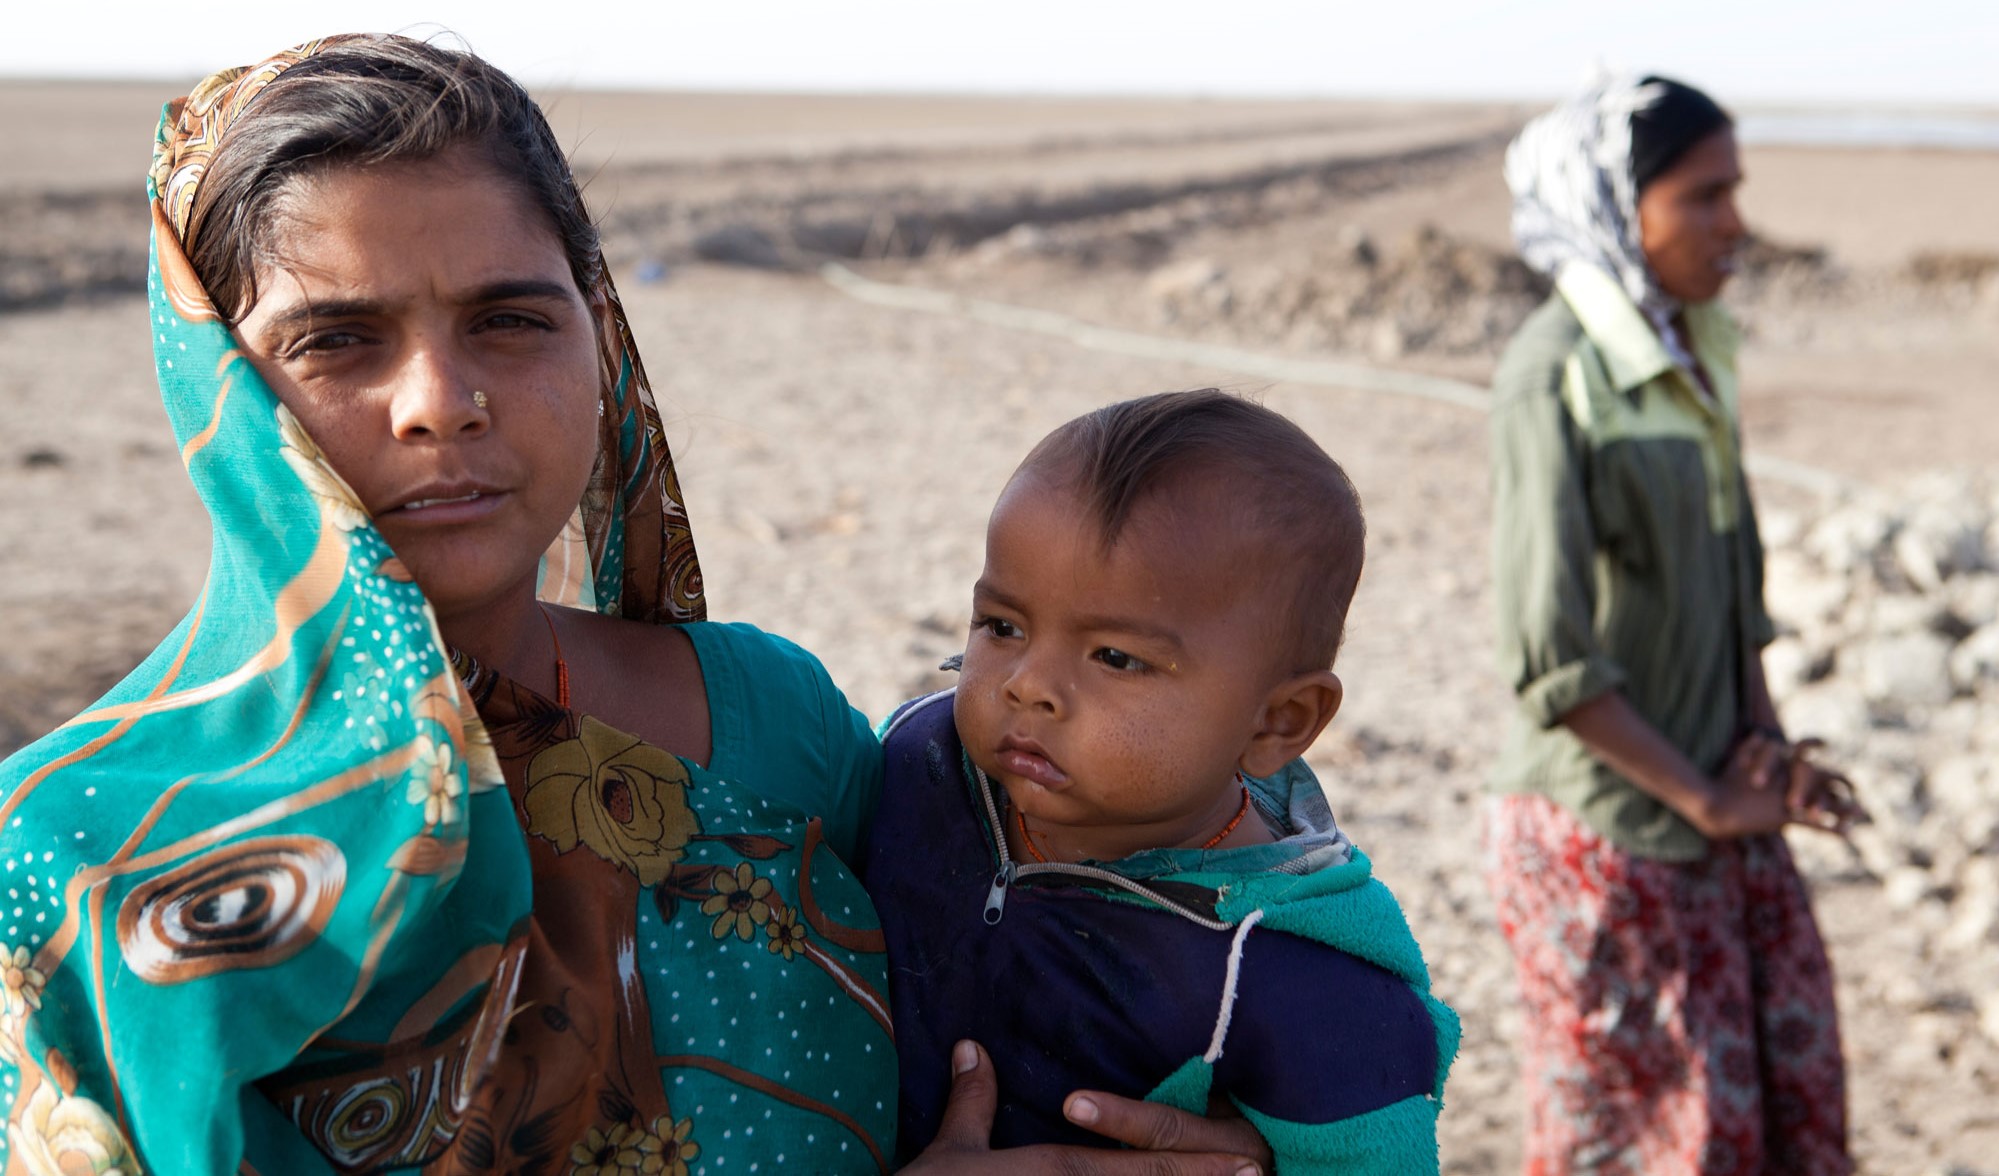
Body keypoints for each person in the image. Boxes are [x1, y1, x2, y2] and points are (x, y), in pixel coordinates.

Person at [0, 34, 1277, 1176]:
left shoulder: (766, 722)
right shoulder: (80, 863)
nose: (441, 400)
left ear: (600, 342)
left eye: (510, 319)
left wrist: (1254, 1145)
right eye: (337, 340)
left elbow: (1120, 934)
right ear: (219, 390)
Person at [864, 391, 1459, 1174]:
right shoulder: (916, 761)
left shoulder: (1285, 971)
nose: (1027, 684)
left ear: (1277, 721)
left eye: (1114, 657)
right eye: (1002, 626)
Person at [1485, 73, 1861, 1174]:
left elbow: (1736, 598)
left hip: (1721, 813)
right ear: (1613, 204)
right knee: (1659, 1143)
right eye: (1703, 196)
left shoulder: (1698, 354)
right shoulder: (1552, 377)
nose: (1734, 223)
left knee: (1778, 1119)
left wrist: (1769, 752)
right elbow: (1547, 660)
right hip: (1612, 836)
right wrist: (1704, 797)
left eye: (1733, 191)